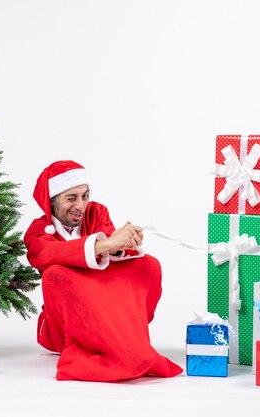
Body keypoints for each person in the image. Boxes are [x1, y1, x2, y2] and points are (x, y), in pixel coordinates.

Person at [24, 160, 183, 382]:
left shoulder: (96, 212)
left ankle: (126, 338)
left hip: (103, 299)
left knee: (147, 265)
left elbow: (113, 244)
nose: (81, 205)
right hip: (67, 323)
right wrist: (105, 244)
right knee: (55, 274)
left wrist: (124, 243)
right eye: (71, 198)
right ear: (51, 202)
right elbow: (48, 254)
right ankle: (97, 352)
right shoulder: (37, 231)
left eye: (85, 196)